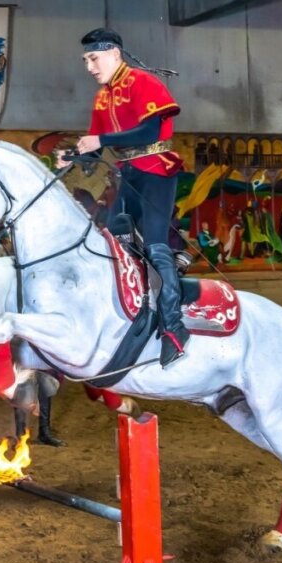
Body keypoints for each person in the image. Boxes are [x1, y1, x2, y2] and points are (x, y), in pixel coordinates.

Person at [61, 28, 189, 366]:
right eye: (85, 60)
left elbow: (148, 130)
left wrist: (100, 140)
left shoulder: (142, 82)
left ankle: (175, 327)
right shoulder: (102, 98)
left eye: (93, 58)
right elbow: (93, 148)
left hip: (156, 169)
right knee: (114, 238)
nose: (89, 66)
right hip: (129, 172)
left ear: (114, 54)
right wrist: (73, 156)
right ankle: (130, 311)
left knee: (155, 244)